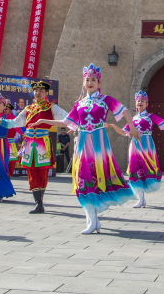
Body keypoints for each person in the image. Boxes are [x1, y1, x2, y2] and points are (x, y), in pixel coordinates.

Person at [28, 64, 137, 233]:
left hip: (99, 142)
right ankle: (92, 220)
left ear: (99, 82)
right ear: (83, 83)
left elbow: (126, 112)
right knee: (82, 179)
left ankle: (93, 218)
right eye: (87, 79)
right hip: (82, 142)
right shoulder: (79, 104)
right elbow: (66, 123)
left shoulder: (106, 100)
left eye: (93, 79)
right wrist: (44, 121)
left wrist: (132, 127)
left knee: (100, 175)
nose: (90, 82)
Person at [0, 80, 69, 214]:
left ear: (46, 93)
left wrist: (74, 125)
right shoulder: (28, 108)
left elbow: (67, 117)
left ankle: (40, 201)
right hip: (29, 142)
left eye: (41, 91)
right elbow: (15, 122)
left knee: (42, 172)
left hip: (43, 142)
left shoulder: (51, 107)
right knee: (31, 172)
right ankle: (38, 203)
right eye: (36, 91)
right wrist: (0, 121)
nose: (38, 93)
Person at [107, 90, 164, 208]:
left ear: (146, 104)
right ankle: (141, 199)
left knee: (146, 168)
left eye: (143, 101)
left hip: (147, 145)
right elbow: (125, 133)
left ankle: (143, 196)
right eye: (138, 101)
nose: (140, 102)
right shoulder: (132, 119)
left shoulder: (151, 117)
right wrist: (114, 127)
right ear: (135, 104)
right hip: (134, 146)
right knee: (135, 169)